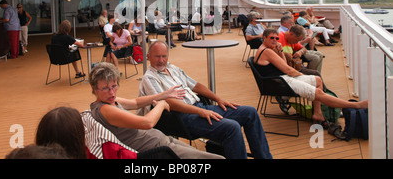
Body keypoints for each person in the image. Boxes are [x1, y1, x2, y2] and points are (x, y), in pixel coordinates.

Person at [138, 40, 272, 159]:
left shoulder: (173, 68)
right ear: (148, 56)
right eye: (157, 56)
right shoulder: (149, 78)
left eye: (164, 56)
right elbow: (167, 103)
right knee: (231, 128)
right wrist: (200, 112)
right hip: (182, 118)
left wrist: (219, 99)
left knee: (250, 113)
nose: (161, 60)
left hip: (200, 107)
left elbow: (196, 85)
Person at [89, 62, 224, 159]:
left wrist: (163, 95)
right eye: (106, 88)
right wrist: (161, 104)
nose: (112, 92)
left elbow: (135, 103)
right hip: (156, 150)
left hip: (160, 141)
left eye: (114, 86)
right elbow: (146, 123)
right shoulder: (106, 109)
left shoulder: (109, 100)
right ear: (94, 89)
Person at [254, 28, 368, 126]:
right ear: (264, 37)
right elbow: (287, 69)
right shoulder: (266, 51)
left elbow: (283, 63)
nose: (275, 40)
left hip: (281, 79)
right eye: (271, 38)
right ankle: (355, 105)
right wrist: (303, 76)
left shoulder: (268, 49)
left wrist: (280, 50)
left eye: (276, 38)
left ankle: (318, 114)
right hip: (280, 83)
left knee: (317, 80)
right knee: (318, 92)